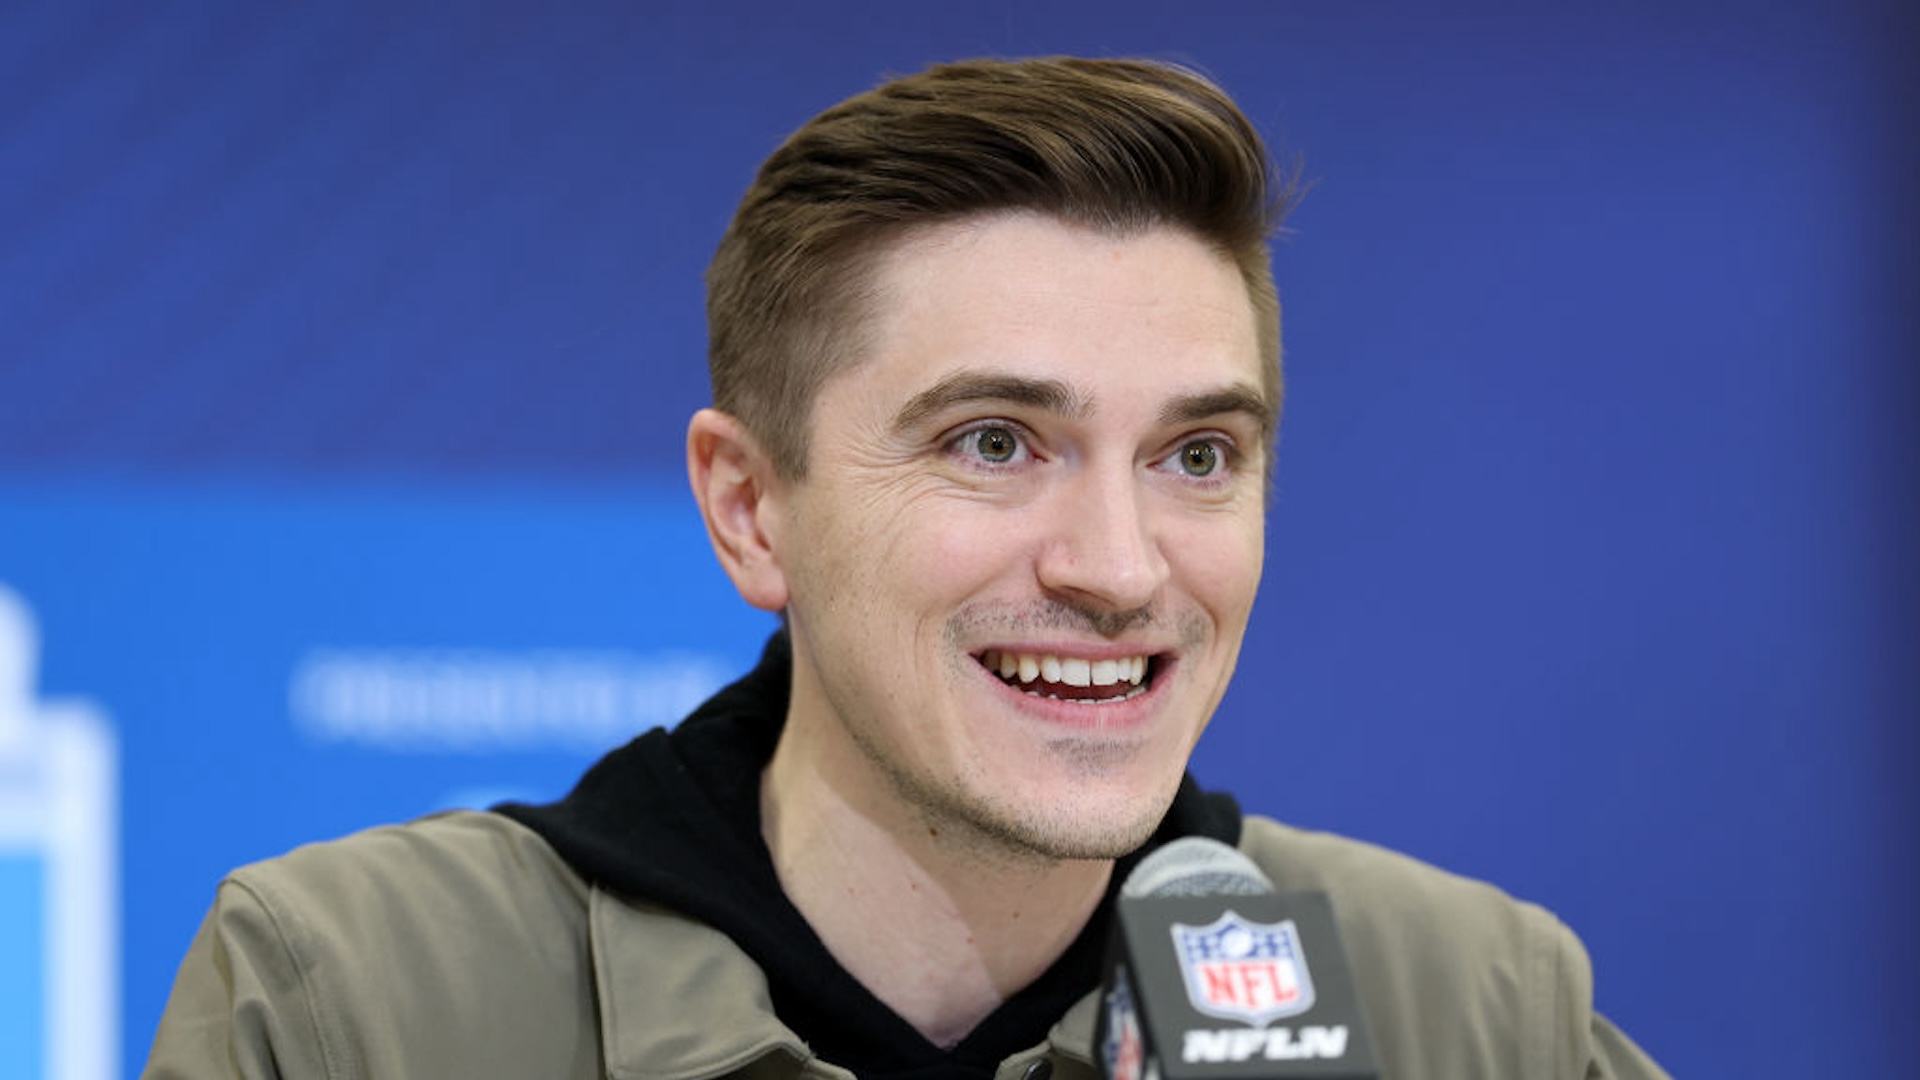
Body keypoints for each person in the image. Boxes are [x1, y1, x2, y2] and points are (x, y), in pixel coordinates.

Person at [145, 57, 1669, 1080]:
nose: (1120, 568)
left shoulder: (1472, 1013)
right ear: (752, 512)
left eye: (1197, 457)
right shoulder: (356, 1002)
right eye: (996, 444)